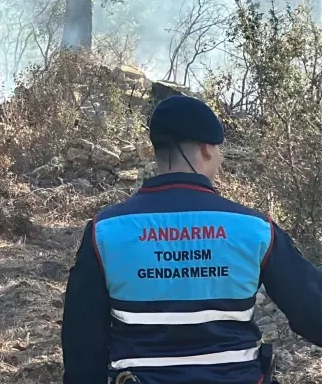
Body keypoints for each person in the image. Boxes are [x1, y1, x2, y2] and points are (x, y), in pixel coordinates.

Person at [62, 94, 322, 384]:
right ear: (207, 149)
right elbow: (313, 309)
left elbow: (82, 343)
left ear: (157, 151)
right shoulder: (254, 229)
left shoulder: (105, 231)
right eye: (219, 150)